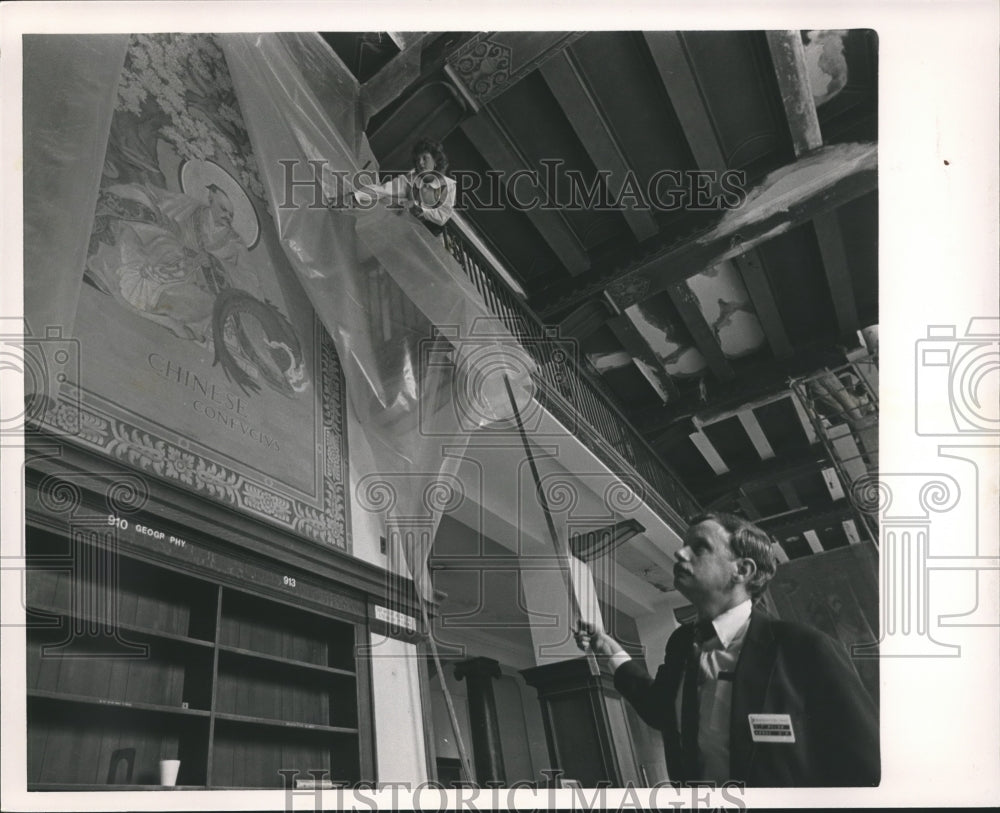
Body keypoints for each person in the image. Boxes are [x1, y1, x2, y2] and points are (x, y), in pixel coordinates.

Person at [575, 512, 879, 787]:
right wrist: (607, 646)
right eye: (683, 545)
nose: (679, 553)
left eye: (699, 547)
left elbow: (864, 767)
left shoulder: (803, 647)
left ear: (742, 569)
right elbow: (661, 711)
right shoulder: (681, 644)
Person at [331, 138, 457, 234]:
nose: (421, 163)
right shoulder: (411, 179)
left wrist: (418, 207)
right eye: (418, 160)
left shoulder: (448, 186)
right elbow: (383, 190)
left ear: (436, 161)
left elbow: (443, 216)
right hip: (403, 228)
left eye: (425, 158)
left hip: (427, 235)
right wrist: (354, 196)